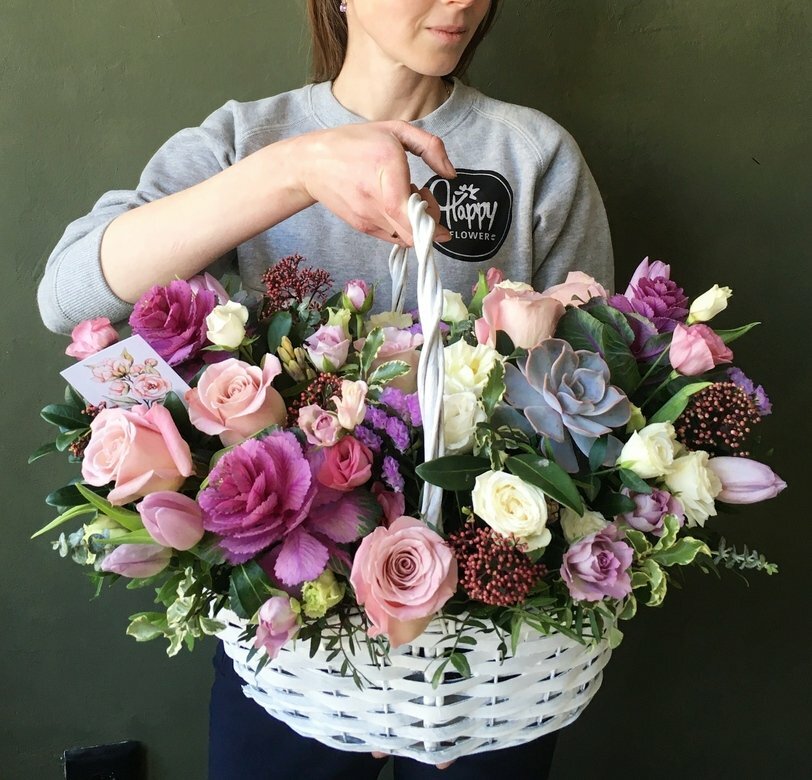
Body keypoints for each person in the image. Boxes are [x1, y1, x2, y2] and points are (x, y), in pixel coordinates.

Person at [38, 1, 613, 778]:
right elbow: (67, 296)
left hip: (481, 665)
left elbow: (596, 400)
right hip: (290, 646)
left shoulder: (532, 154)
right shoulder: (246, 139)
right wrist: (296, 170)